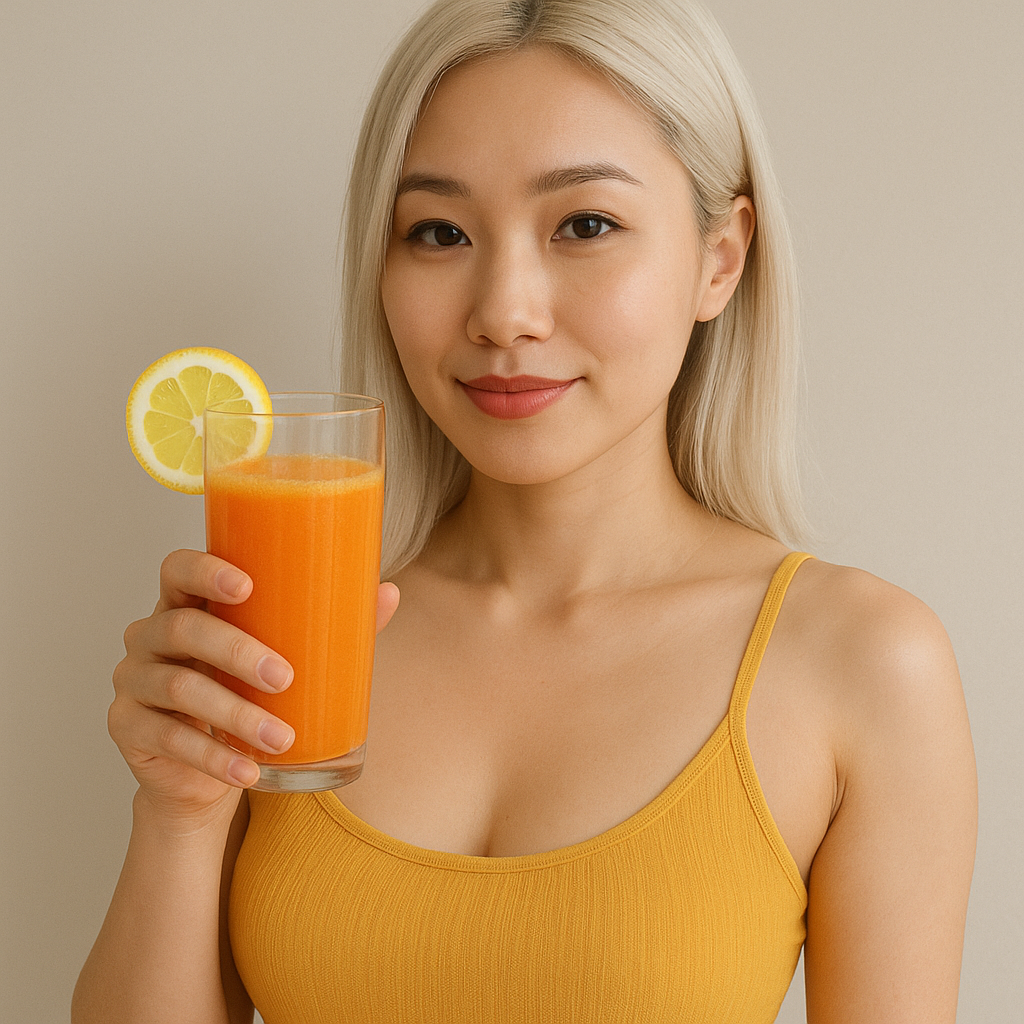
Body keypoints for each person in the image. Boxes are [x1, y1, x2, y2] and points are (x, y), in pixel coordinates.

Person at [73, 0, 977, 1021]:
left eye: (585, 225)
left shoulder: (863, 664)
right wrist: (179, 811)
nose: (503, 311)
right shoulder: (289, 645)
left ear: (719, 259)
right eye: (439, 232)